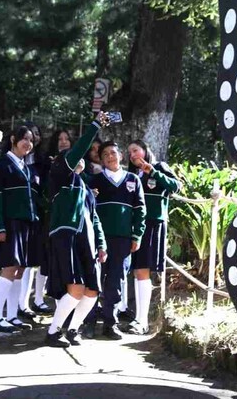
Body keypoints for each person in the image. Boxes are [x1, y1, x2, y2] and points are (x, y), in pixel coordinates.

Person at [45, 113, 110, 347]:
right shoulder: (60, 174)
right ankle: (53, 332)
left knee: (92, 291)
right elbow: (78, 149)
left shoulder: (85, 187)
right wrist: (95, 125)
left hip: (88, 241)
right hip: (67, 236)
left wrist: (101, 244)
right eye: (73, 157)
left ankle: (73, 330)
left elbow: (95, 219)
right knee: (76, 287)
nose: (78, 159)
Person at [83, 141, 146, 340]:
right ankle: (88, 322)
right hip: (98, 238)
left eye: (113, 153)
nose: (110, 157)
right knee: (93, 279)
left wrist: (137, 235)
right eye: (105, 155)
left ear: (120, 155)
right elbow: (86, 209)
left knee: (116, 281)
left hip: (123, 240)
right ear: (101, 160)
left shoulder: (133, 179)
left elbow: (140, 210)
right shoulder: (94, 180)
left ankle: (111, 323)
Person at [125, 139, 181, 335]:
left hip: (153, 224)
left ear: (145, 150)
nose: (133, 155)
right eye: (130, 153)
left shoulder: (159, 167)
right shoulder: (131, 175)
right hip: (134, 226)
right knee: (136, 271)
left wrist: (153, 172)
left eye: (136, 150)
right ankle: (137, 318)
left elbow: (176, 186)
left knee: (143, 271)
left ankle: (142, 321)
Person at [0, 125, 39, 332]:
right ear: (13, 139)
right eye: (24, 139)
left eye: (31, 140)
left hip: (27, 224)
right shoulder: (0, 165)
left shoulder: (27, 167)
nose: (28, 143)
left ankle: (12, 316)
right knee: (9, 268)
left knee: (21, 269)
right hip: (9, 224)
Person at [19, 122, 53, 317]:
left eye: (37, 135)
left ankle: (35, 300)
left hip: (41, 216)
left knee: (38, 260)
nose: (33, 139)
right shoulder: (13, 160)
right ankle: (20, 303)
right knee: (22, 262)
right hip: (21, 216)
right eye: (28, 137)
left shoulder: (43, 162)